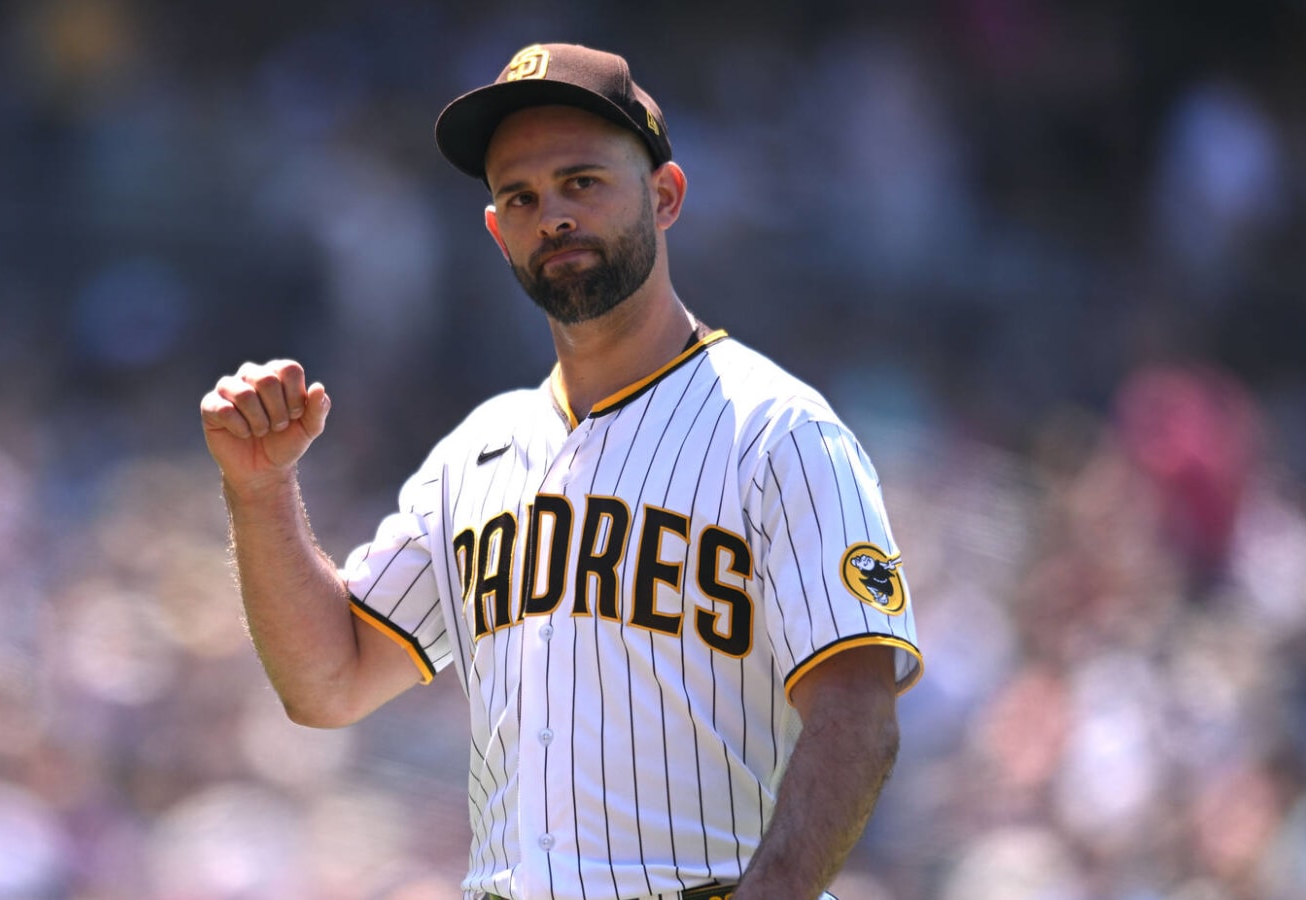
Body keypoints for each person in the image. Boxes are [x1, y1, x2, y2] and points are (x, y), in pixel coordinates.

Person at [200, 42, 923, 900]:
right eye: (522, 196)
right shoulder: (474, 455)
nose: (553, 216)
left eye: (583, 182)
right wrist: (259, 490)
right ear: (497, 230)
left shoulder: (779, 432)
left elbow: (858, 716)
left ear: (665, 196)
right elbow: (328, 681)